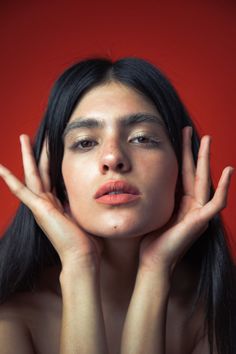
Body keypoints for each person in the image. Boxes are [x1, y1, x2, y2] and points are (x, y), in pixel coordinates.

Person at [0, 57, 235, 354]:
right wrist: (78, 263)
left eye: (141, 138)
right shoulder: (10, 319)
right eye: (85, 142)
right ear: (56, 175)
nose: (113, 157)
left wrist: (155, 271)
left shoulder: (217, 315)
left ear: (182, 166)